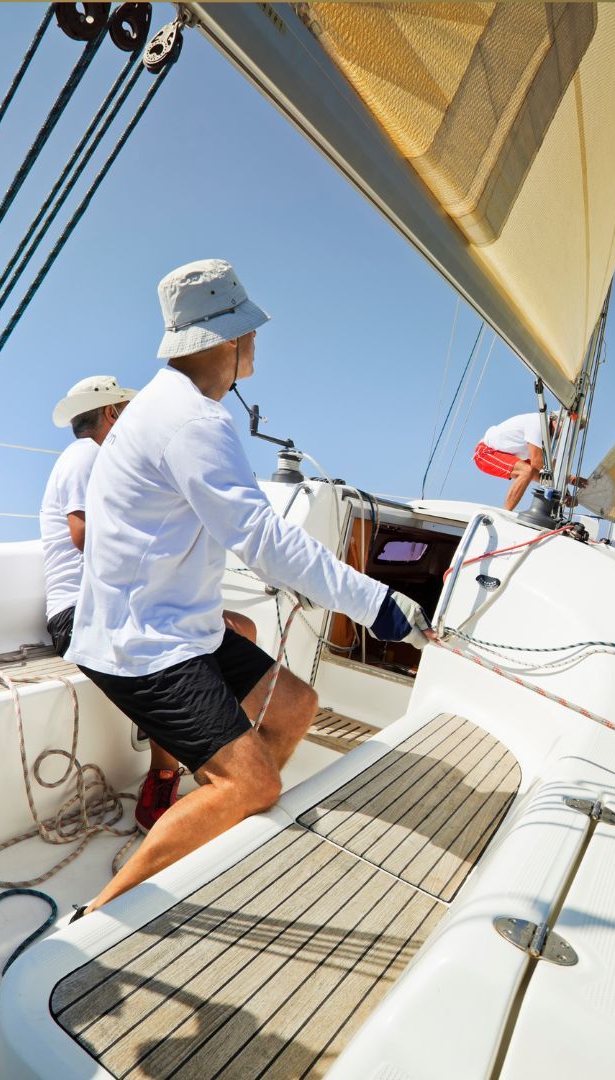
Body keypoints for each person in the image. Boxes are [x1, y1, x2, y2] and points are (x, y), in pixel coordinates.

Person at [65, 258, 431, 918]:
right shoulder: (193, 422)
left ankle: (215, 831)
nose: (256, 343)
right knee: (255, 783)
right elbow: (262, 538)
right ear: (224, 341)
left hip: (178, 624)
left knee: (293, 705)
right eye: (248, 332)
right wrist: (376, 604)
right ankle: (104, 912)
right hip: (142, 645)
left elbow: (231, 523)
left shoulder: (170, 407)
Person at [40, 375, 257, 834]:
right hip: (79, 616)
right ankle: (164, 773)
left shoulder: (97, 459)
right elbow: (83, 537)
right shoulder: (88, 456)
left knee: (240, 627)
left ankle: (214, 747)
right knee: (169, 646)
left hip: (108, 606)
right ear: (114, 414)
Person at [473, 412, 555, 510]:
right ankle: (506, 511)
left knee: (536, 472)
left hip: (509, 454)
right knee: (526, 471)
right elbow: (537, 462)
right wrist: (559, 483)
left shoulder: (554, 439)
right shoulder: (539, 422)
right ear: (557, 420)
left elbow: (553, 468)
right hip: (486, 452)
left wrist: (568, 485)